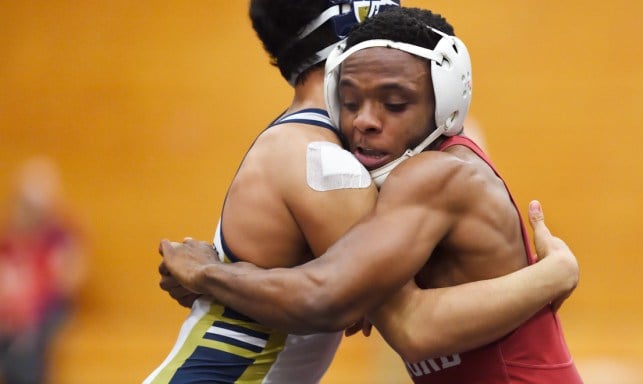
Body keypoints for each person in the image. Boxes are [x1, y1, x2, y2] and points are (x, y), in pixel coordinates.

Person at [158, 6, 581, 384]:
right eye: (349, 102)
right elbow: (349, 291)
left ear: (445, 105)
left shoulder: (437, 175)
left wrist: (209, 274)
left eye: (395, 104)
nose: (365, 121)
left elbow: (371, 312)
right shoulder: (382, 175)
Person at [0, 156, 87, 384]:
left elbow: (69, 280)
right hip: (11, 310)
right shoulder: (9, 239)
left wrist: (29, 310)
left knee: (32, 344)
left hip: (49, 306)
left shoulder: (61, 238)